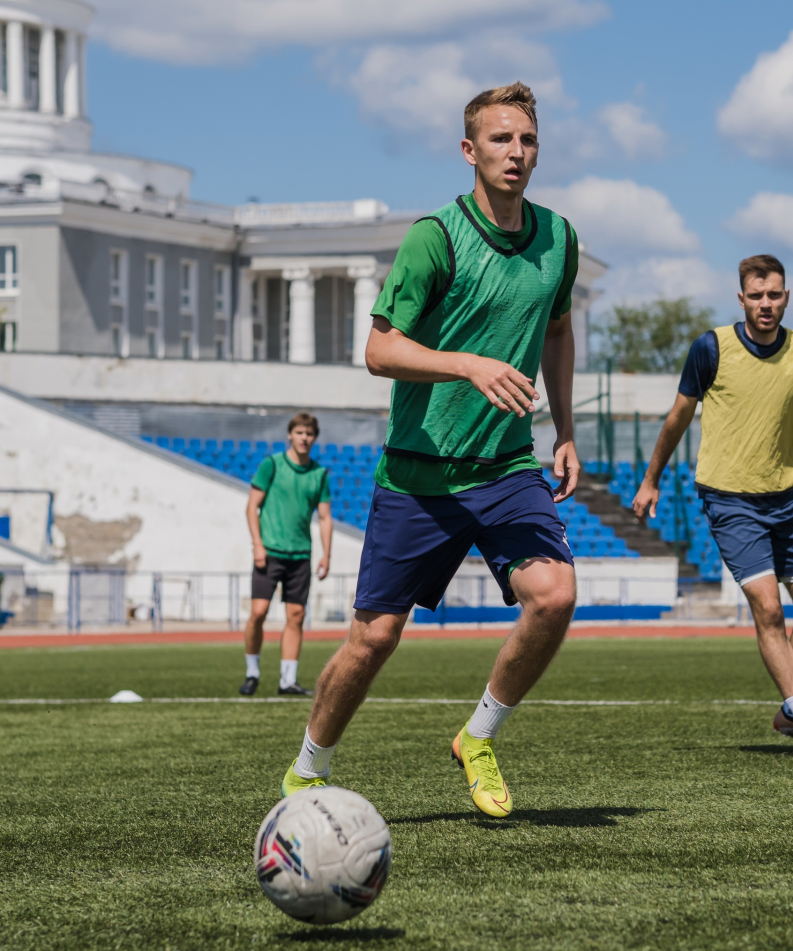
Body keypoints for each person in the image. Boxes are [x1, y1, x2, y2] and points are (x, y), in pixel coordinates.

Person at [279, 82, 582, 818]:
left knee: (556, 595)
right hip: (419, 475)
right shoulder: (434, 238)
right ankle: (306, 771)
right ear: (469, 151)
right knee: (374, 637)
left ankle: (477, 737)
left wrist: (566, 429)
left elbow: (556, 330)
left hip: (508, 468)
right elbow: (379, 349)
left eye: (528, 140)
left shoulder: (560, 240)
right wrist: (468, 363)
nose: (516, 152)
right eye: (501, 139)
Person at [632, 254, 793, 758]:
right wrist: (651, 480)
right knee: (768, 608)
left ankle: (790, 708)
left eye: (774, 295)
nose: (765, 304)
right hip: (729, 499)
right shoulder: (711, 348)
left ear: (786, 297)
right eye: (756, 296)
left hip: (787, 500)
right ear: (742, 299)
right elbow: (677, 419)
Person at [240, 413, 333, 697]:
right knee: (258, 612)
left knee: (296, 615)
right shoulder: (272, 465)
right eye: (300, 432)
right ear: (290, 435)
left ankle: (287, 680)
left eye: (309, 433)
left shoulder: (319, 474)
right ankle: (252, 672)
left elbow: (326, 517)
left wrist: (326, 554)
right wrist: (257, 544)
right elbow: (251, 507)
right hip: (269, 554)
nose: (304, 438)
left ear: (314, 438)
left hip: (300, 556)